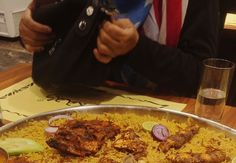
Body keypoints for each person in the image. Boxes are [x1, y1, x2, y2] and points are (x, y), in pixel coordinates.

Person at [19, 0, 220, 96]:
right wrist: (31, 27)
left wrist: (136, 48)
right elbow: (55, 34)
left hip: (163, 109)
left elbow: (201, 79)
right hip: (80, 97)